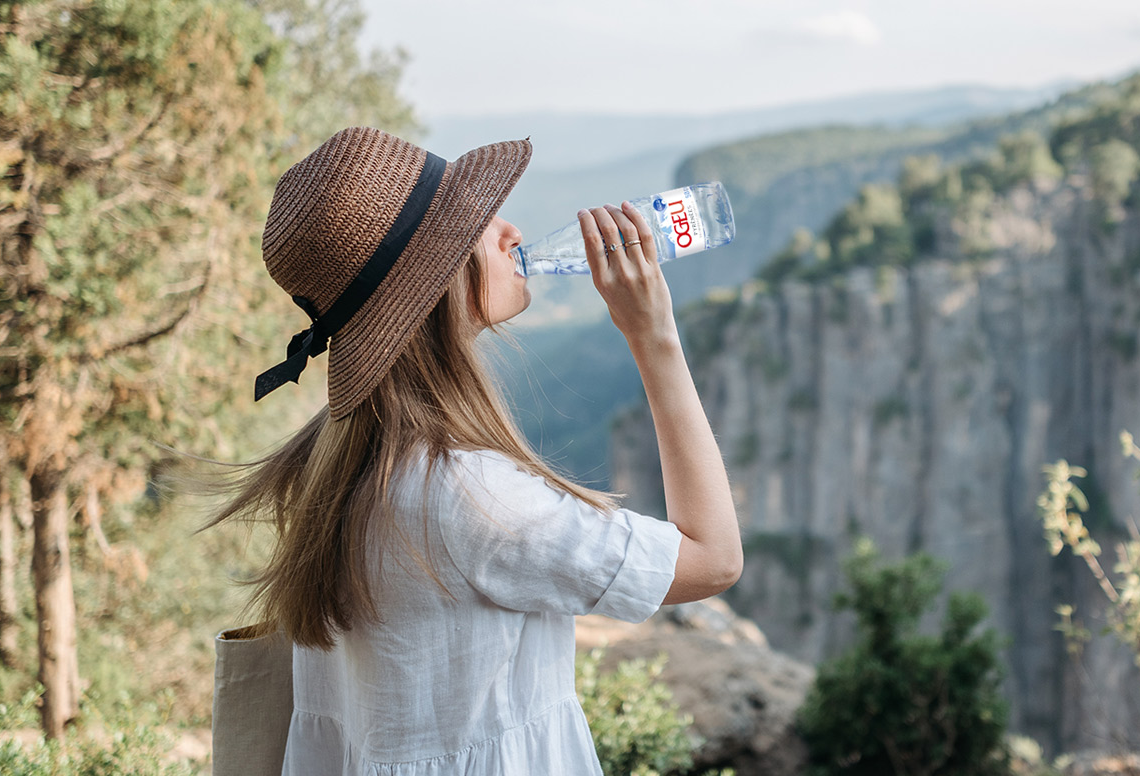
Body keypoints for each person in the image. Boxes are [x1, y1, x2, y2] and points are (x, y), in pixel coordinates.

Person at [193, 126, 742, 774]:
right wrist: (655, 339)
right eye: (472, 223)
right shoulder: (471, 496)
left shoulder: (342, 465)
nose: (509, 230)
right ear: (432, 280)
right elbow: (713, 559)